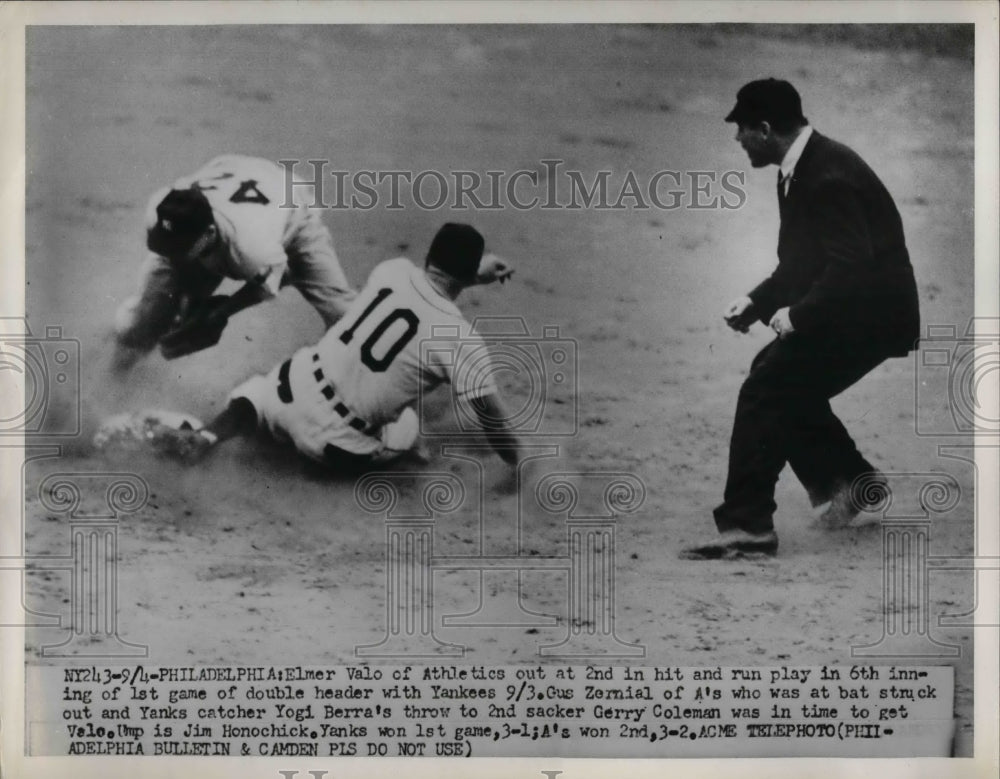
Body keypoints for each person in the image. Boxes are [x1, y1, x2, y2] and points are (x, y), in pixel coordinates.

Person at [681, 79, 920, 560]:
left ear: (766, 129)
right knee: (782, 380)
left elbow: (849, 266)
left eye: (742, 129)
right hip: (853, 305)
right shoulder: (800, 166)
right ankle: (851, 484)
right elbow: (801, 264)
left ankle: (748, 526)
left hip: (870, 316)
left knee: (768, 386)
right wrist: (758, 302)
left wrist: (801, 315)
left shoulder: (826, 176)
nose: (737, 139)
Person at [155, 223, 523, 470]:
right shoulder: (461, 340)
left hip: (287, 392)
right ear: (469, 271)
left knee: (258, 391)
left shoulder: (391, 270)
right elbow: (498, 428)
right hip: (333, 442)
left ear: (429, 257)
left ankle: (210, 434)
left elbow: (434, 285)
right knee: (409, 421)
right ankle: (404, 450)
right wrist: (524, 461)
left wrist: (473, 272)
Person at [112, 154, 356, 369]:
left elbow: (280, 276)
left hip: (293, 207)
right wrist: (171, 303)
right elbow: (172, 252)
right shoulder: (161, 211)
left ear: (208, 235)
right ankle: (118, 369)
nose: (171, 254)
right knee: (147, 319)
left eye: (179, 249)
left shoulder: (253, 249)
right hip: (234, 171)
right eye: (167, 246)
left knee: (344, 317)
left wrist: (222, 311)